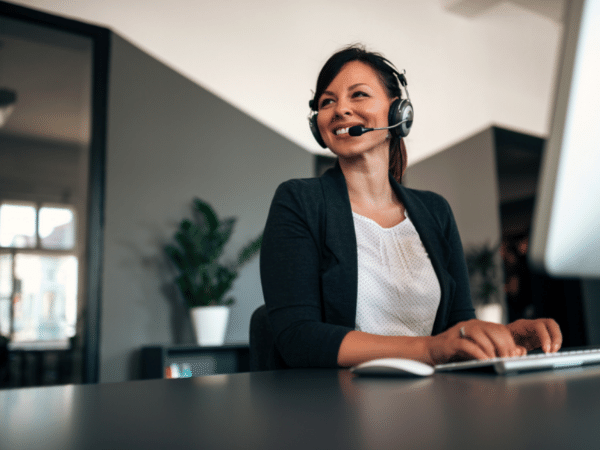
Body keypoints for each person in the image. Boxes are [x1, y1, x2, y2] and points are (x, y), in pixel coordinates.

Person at [259, 44, 562, 369]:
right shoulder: (299, 201)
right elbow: (299, 337)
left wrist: (500, 337)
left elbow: (458, 324)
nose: (340, 109)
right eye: (327, 101)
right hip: (340, 405)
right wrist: (430, 349)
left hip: (435, 397)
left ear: (398, 111)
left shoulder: (434, 211)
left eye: (358, 94)